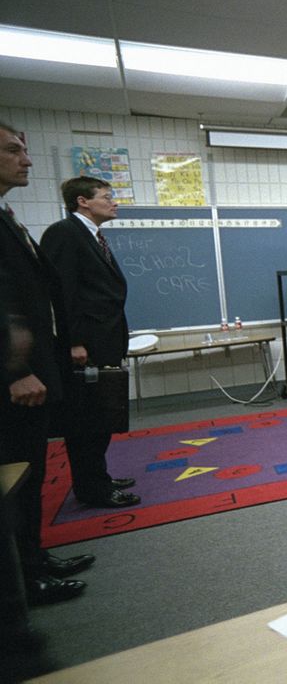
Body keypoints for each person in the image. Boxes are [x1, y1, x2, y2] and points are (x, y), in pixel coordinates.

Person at [0, 120, 95, 605]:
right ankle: (22, 579)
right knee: (15, 480)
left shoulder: (7, 216)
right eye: (15, 150)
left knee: (32, 473)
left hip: (36, 370)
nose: (28, 159)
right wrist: (14, 370)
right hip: (15, 380)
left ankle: (34, 560)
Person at [40, 177, 139, 508]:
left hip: (105, 338)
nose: (114, 203)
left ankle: (99, 477)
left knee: (101, 416)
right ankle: (92, 489)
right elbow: (61, 293)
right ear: (83, 201)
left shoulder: (93, 236)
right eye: (107, 197)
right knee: (86, 420)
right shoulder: (64, 233)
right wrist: (74, 342)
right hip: (86, 345)